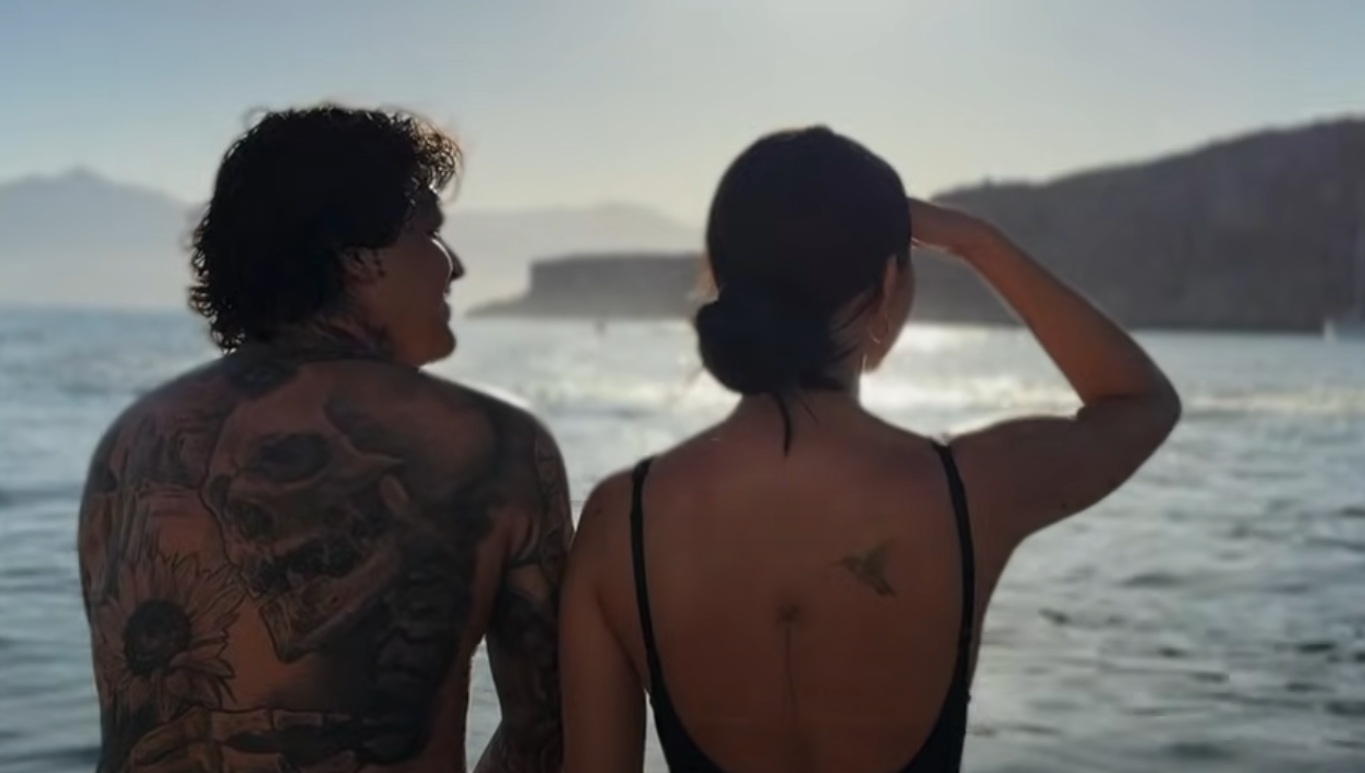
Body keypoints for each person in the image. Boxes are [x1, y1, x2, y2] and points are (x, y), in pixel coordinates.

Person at [560, 126, 1181, 773]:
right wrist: (977, 242)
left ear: (720, 277)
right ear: (888, 283)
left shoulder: (619, 522)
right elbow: (1141, 404)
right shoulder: (969, 490)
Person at [76, 104, 571, 773]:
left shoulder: (131, 440)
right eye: (429, 232)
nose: (453, 267)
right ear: (357, 256)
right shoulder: (492, 445)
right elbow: (549, 731)